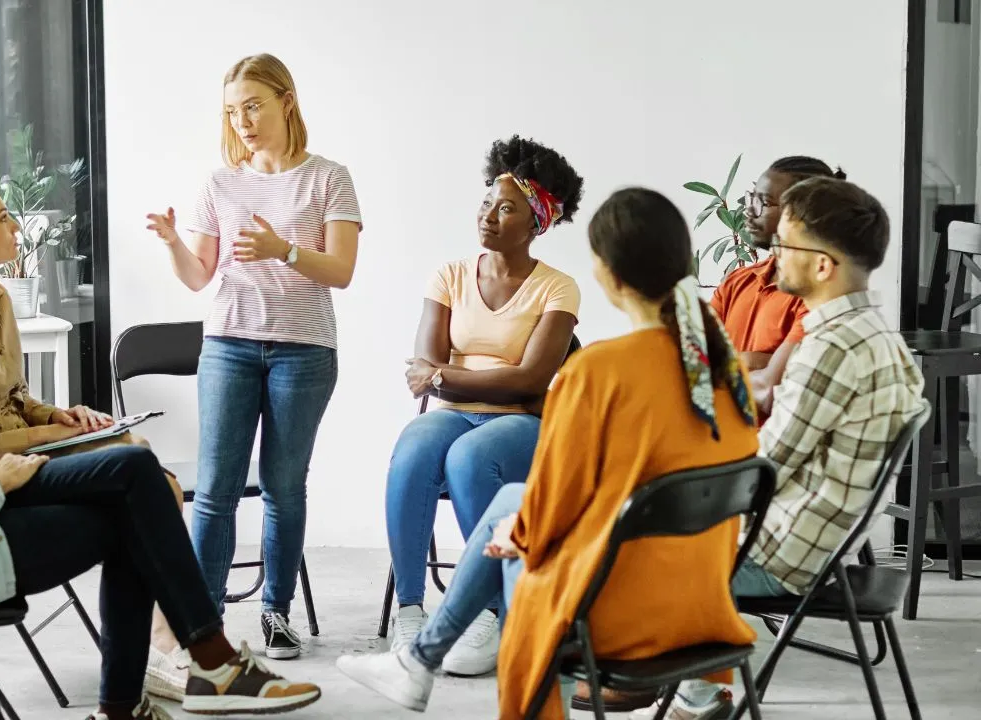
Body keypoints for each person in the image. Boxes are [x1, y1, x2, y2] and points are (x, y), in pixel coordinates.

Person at [0, 147, 323, 720]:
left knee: (134, 472)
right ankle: (198, 669)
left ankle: (191, 670)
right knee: (134, 500)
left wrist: (34, 434)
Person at [338, 187, 760, 720]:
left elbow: (548, 512)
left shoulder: (600, 371)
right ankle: (419, 660)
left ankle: (424, 660)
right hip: (704, 607)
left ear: (608, 276)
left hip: (618, 613)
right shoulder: (726, 371)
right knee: (512, 498)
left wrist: (501, 539)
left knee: (513, 533)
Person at [638, 177, 930, 720]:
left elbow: (760, 470)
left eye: (786, 244)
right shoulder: (875, 335)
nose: (773, 255)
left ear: (822, 266)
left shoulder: (831, 347)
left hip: (784, 556)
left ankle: (660, 684)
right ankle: (694, 691)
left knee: (613, 546)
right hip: (818, 542)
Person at [0, 176, 190, 701]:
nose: (15, 225)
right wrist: (49, 430)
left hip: (35, 439)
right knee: (148, 477)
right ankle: (168, 644)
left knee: (145, 464)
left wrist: (64, 415)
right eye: (3, 217)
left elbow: (18, 395)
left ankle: (165, 644)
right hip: (3, 465)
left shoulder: (0, 299)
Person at [145, 53, 362, 660]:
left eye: (253, 105)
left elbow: (341, 270)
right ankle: (203, 624)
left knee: (283, 487)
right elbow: (199, 276)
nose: (242, 121)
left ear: (285, 101)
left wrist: (282, 249)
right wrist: (170, 243)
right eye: (232, 111)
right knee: (213, 489)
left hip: (305, 351)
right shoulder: (219, 183)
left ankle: (277, 614)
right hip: (229, 345)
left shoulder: (329, 178)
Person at [386, 136, 583, 677]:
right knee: (414, 447)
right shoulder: (449, 275)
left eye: (506, 208)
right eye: (486, 203)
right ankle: (410, 610)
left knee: (470, 458)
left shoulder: (558, 289)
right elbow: (424, 367)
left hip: (523, 424)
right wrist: (466, 381)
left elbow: (532, 381)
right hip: (454, 415)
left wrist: (450, 375)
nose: (489, 216)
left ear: (537, 222)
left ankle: (489, 612)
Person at [711, 156, 844, 418]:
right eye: (752, 198)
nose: (749, 210)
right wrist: (750, 361)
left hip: (763, 450)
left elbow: (778, 387)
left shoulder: (820, 297)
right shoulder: (737, 281)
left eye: (763, 202)